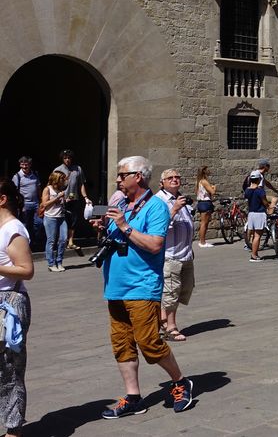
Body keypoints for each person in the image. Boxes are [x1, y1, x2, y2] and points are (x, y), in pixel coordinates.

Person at [100, 156, 193, 418]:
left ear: (138, 176)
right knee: (122, 344)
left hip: (142, 285)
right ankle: (133, 397)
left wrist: (123, 225)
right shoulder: (121, 204)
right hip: (116, 285)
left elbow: (154, 244)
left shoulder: (155, 207)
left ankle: (180, 382)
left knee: (149, 342)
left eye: (122, 175)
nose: (118, 179)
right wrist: (104, 227)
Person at [0, 179, 32, 436]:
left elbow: (26, 270)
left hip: (8, 302)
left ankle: (13, 429)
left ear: (2, 199)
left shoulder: (13, 228)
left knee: (9, 370)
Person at [155, 170, 194, 343]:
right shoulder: (159, 201)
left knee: (182, 291)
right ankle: (170, 328)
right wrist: (175, 209)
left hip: (185, 254)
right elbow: (159, 226)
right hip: (170, 255)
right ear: (161, 183)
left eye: (177, 177)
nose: (174, 180)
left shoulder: (181, 198)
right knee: (170, 293)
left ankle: (162, 321)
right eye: (170, 178)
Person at [54, 149, 91, 253]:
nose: (67, 160)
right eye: (65, 158)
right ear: (62, 159)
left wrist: (85, 197)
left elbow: (81, 184)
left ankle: (70, 242)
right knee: (62, 220)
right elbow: (54, 186)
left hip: (74, 198)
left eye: (69, 158)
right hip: (62, 200)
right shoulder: (58, 170)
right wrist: (59, 197)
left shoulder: (77, 169)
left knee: (73, 220)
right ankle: (62, 241)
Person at [39, 171, 68, 272]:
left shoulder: (60, 189)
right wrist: (57, 197)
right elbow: (44, 204)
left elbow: (59, 203)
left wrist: (65, 200)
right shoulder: (47, 189)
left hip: (61, 217)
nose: (64, 180)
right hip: (50, 217)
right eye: (62, 178)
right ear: (57, 179)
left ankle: (59, 262)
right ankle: (51, 263)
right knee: (51, 241)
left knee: (63, 239)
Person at [11, 157, 40, 243]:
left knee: (39, 223)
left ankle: (34, 241)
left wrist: (41, 200)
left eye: (26, 164)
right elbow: (14, 192)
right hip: (25, 204)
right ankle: (25, 243)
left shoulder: (35, 174)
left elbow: (38, 188)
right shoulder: (17, 176)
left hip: (36, 203)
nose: (24, 166)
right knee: (25, 225)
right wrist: (19, 205)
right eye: (22, 164)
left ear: (30, 165)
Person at [244, 171, 271, 263]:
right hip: (259, 213)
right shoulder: (260, 190)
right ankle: (254, 255)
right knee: (257, 236)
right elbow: (265, 202)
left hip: (251, 213)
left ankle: (254, 253)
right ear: (259, 179)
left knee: (254, 235)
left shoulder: (247, 190)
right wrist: (269, 206)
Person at [194, 166, 217, 248]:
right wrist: (214, 188)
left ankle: (202, 241)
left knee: (203, 223)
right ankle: (202, 242)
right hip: (205, 203)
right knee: (204, 223)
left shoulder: (198, 182)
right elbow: (212, 192)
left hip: (201, 202)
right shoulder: (204, 181)